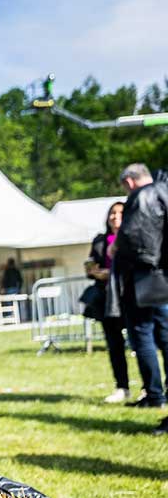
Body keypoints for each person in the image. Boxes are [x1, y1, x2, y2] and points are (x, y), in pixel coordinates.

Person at [112, 163, 168, 418]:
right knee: (164, 335)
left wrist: (117, 250)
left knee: (143, 336)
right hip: (163, 277)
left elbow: (132, 237)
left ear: (130, 182)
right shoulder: (164, 191)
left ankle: (155, 394)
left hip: (145, 278)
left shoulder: (141, 197)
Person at [86, 202, 130, 404]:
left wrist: (112, 274)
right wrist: (95, 272)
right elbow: (92, 266)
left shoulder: (132, 238)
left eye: (120, 213)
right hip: (107, 298)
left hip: (130, 296)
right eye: (112, 212)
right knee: (114, 345)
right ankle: (122, 387)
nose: (115, 216)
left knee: (141, 342)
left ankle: (151, 388)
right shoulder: (100, 241)